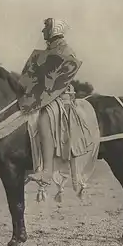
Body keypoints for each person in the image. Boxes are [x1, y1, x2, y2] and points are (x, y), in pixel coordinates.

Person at [24, 18, 81, 186]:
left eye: (45, 28)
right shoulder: (48, 51)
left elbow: (63, 77)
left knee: (44, 118)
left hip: (61, 96)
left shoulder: (66, 50)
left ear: (54, 30)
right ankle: (27, 166)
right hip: (46, 95)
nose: (42, 32)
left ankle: (47, 171)